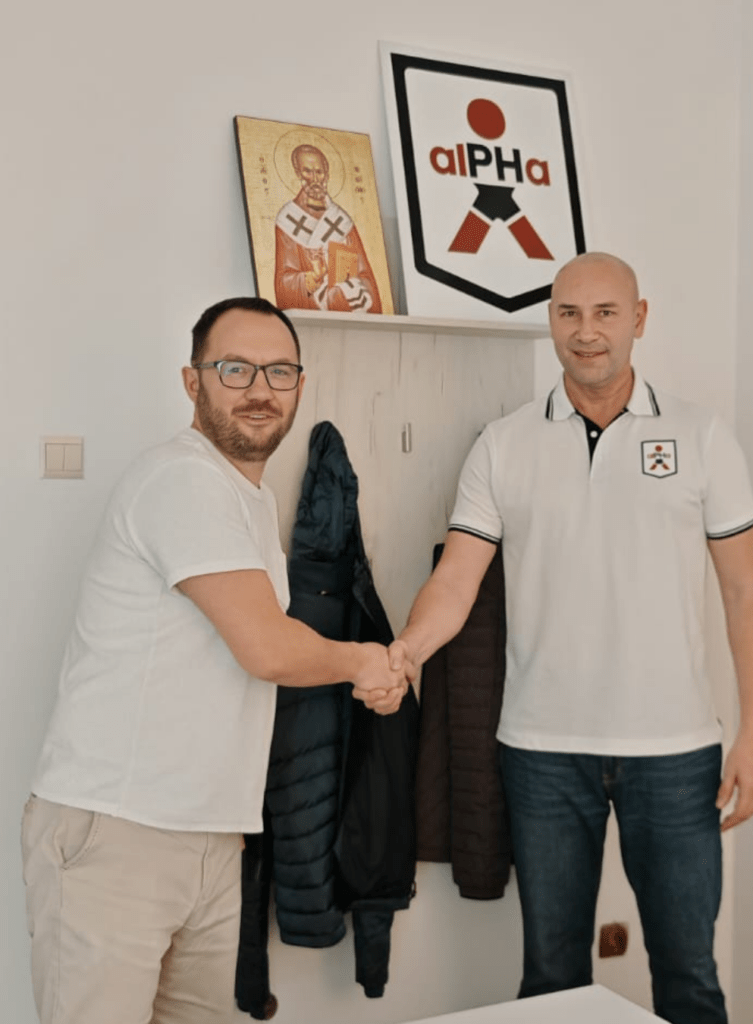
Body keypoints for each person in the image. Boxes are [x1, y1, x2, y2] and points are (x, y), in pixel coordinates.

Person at [378, 253, 753, 1024]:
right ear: (550, 320)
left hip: (675, 753)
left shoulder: (701, 436)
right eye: (568, 313)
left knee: (689, 978)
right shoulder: (503, 444)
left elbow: (744, 592)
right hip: (542, 753)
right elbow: (456, 580)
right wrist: (406, 654)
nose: (585, 332)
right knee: (551, 980)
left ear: (638, 319)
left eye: (604, 313)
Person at [21, 297, 406, 1024]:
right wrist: (365, 661)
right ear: (191, 380)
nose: (259, 389)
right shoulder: (182, 478)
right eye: (235, 369)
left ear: (299, 385)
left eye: (279, 371)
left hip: (208, 831)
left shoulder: (246, 497)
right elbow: (265, 646)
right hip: (120, 831)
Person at [274, 143, 382, 313]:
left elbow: (361, 275)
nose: (315, 179)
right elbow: (284, 283)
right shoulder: (289, 219)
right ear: (297, 173)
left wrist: (343, 286)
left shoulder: (340, 221)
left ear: (327, 174)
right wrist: (313, 277)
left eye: (319, 172)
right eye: (307, 171)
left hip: (341, 305)